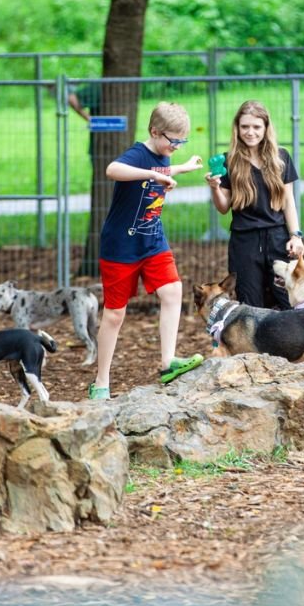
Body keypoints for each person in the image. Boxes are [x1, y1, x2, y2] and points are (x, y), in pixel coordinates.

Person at [91, 102, 206, 401]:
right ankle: (101, 382)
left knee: (173, 291)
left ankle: (168, 362)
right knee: (115, 315)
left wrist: (183, 167)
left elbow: (162, 167)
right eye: (174, 140)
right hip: (120, 246)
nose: (177, 147)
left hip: (153, 241)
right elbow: (112, 169)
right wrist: (155, 176)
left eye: (182, 141)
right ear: (155, 132)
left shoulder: (162, 154)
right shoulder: (137, 154)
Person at [205, 100, 304, 309]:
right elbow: (223, 207)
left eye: (256, 127)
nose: (250, 132)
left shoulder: (281, 157)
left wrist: (296, 236)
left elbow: (288, 202)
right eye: (245, 127)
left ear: (266, 128)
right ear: (237, 129)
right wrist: (214, 187)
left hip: (278, 238)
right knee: (250, 307)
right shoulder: (228, 161)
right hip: (245, 242)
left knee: (288, 302)